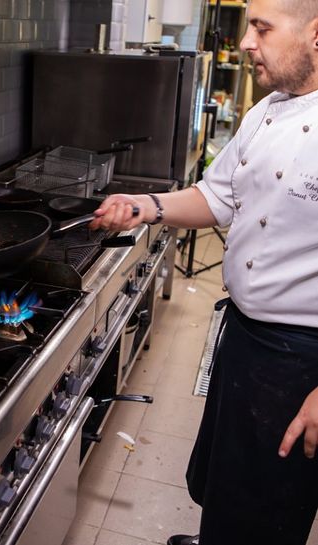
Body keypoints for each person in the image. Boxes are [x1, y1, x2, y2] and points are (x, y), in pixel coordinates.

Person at [90, 0, 318, 544]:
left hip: (300, 363)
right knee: (225, 481)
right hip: (244, 336)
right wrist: (144, 205)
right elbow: (216, 198)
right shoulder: (266, 112)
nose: (245, 42)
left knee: (268, 511)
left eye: (261, 28)